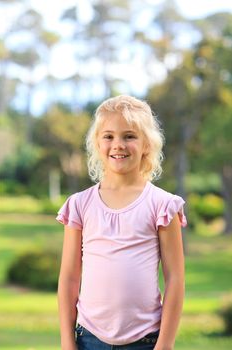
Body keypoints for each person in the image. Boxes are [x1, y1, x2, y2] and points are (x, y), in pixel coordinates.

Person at [56, 95, 187, 350]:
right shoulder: (79, 205)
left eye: (129, 136)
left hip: (146, 340)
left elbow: (175, 279)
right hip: (88, 338)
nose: (118, 145)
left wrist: (165, 344)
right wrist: (67, 341)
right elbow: (70, 278)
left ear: (147, 144)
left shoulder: (162, 205)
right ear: (97, 143)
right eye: (108, 136)